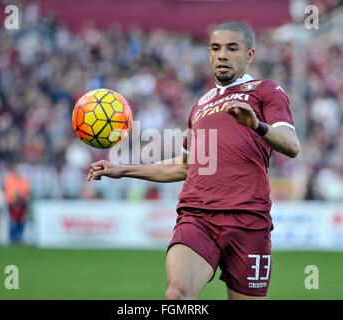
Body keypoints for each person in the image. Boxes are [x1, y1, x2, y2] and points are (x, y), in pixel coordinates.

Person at [87, 21, 300, 300]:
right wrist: (121, 169)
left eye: (232, 48)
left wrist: (257, 124)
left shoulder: (266, 91)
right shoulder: (200, 105)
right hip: (198, 216)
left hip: (248, 220)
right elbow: (185, 166)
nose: (222, 54)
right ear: (209, 54)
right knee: (177, 296)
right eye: (215, 48)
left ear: (249, 55)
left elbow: (292, 145)